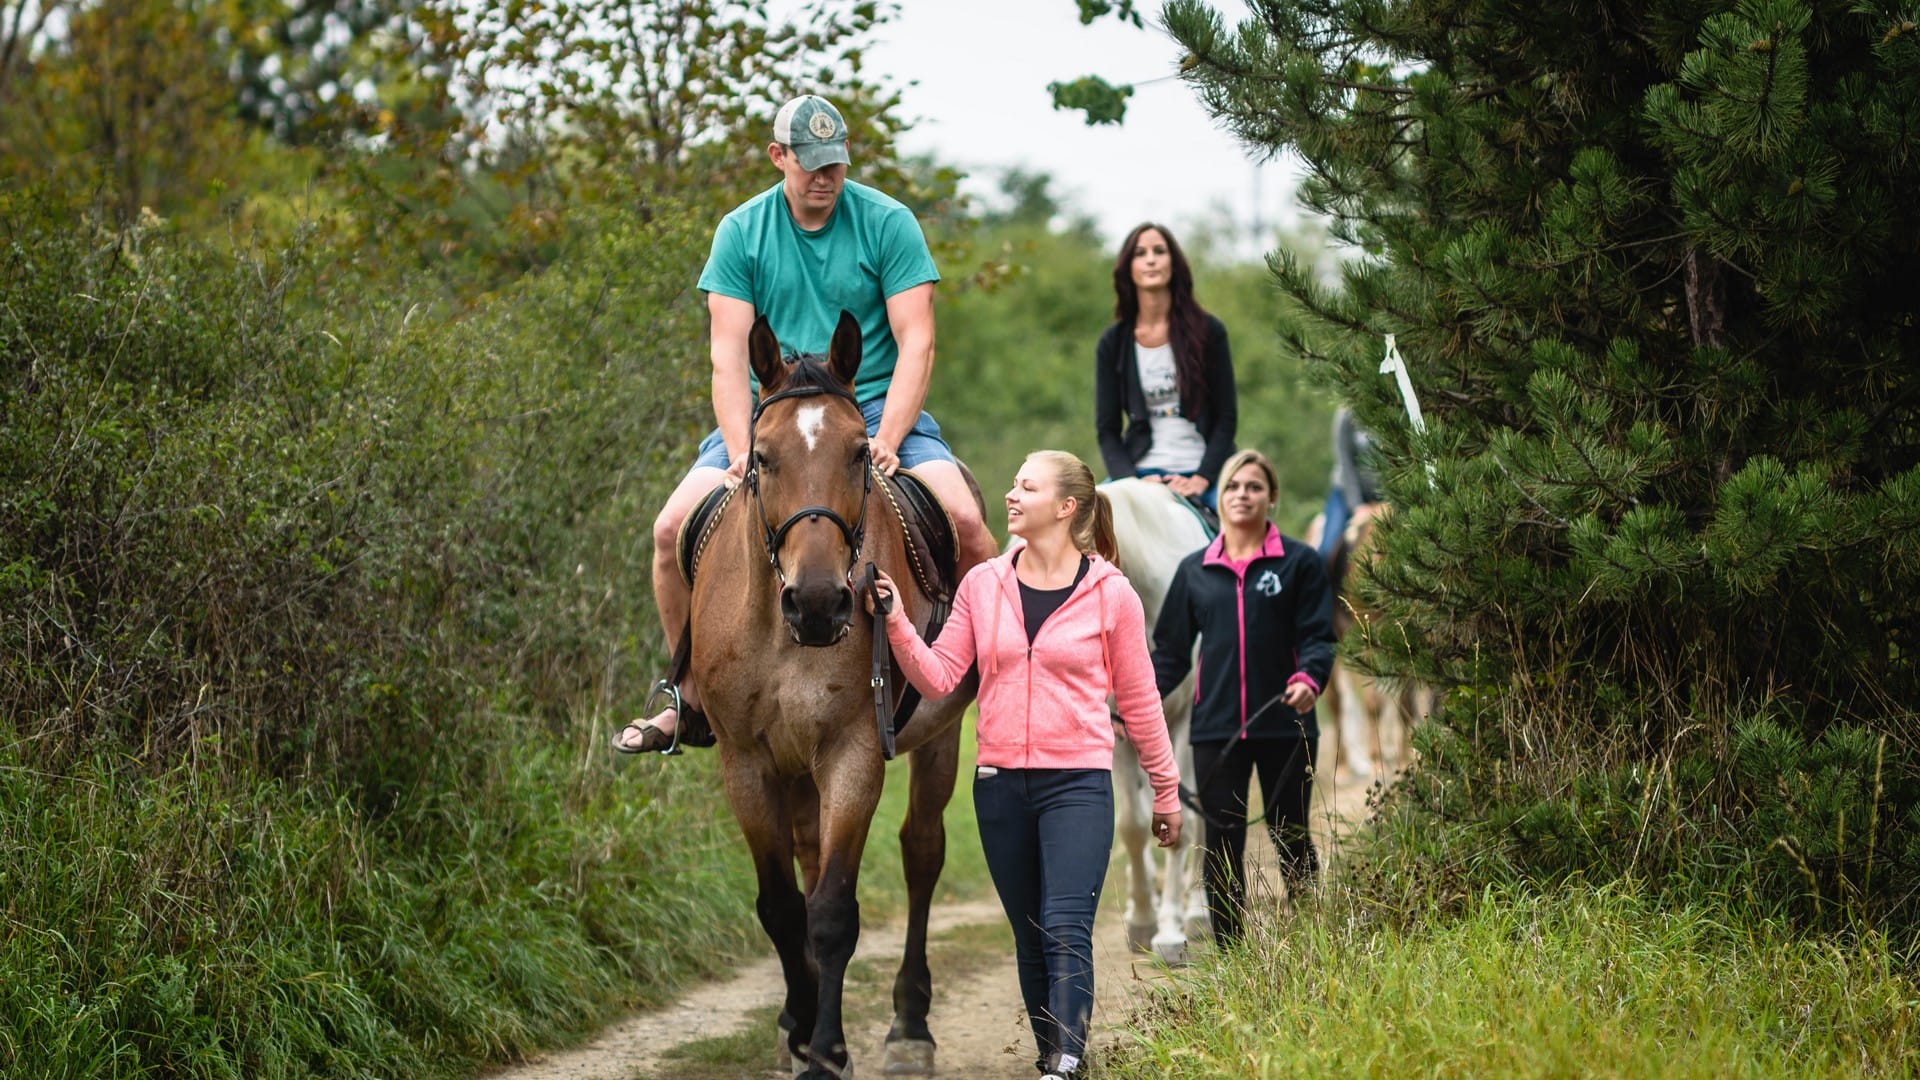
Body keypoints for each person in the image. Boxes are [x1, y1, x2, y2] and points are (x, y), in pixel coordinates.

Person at [614, 93, 996, 754]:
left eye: (836, 166)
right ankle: (690, 695)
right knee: (668, 529)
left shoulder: (889, 222)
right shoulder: (742, 231)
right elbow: (729, 357)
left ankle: (1001, 681)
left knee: (968, 526)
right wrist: (739, 449)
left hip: (871, 407)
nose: (825, 178)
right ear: (778, 156)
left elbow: (917, 342)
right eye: (811, 165)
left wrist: (890, 440)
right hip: (776, 417)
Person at [870, 450, 1182, 1080]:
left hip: (1079, 784)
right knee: (1031, 931)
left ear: (1067, 508)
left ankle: (1066, 1061)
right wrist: (900, 622)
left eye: (1026, 487)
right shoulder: (984, 585)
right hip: (1001, 787)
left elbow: (1142, 701)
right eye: (1012, 484)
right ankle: (1053, 1054)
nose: (1010, 496)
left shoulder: (1110, 594)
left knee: (1066, 924)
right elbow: (940, 678)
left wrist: (1167, 793)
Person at [1149, 448, 1336, 947]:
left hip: (1286, 725)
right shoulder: (1194, 572)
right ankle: (1233, 954)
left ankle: (1307, 940)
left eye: (1254, 486)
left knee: (1290, 833)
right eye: (1232, 486)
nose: (1242, 495)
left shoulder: (1301, 563)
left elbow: (1319, 636)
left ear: (1271, 498)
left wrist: (1309, 678)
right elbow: (1168, 653)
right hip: (1216, 730)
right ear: (1220, 495)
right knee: (1222, 844)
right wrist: (1132, 705)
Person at [1093, 222, 1237, 512]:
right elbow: (1107, 429)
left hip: (1202, 470)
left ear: (1174, 263)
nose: (1150, 259)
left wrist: (1202, 478)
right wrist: (1130, 481)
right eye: (1140, 253)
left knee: (1246, 526)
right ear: (1128, 268)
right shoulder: (1113, 342)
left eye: (1159, 251)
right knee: (1084, 521)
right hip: (1140, 473)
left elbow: (1226, 418)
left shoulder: (1209, 332)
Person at [1315, 405, 1382, 562]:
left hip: (1384, 498)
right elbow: (1345, 464)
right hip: (1346, 496)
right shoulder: (1346, 415)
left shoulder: (1390, 408)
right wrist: (1357, 506)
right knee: (1327, 550)